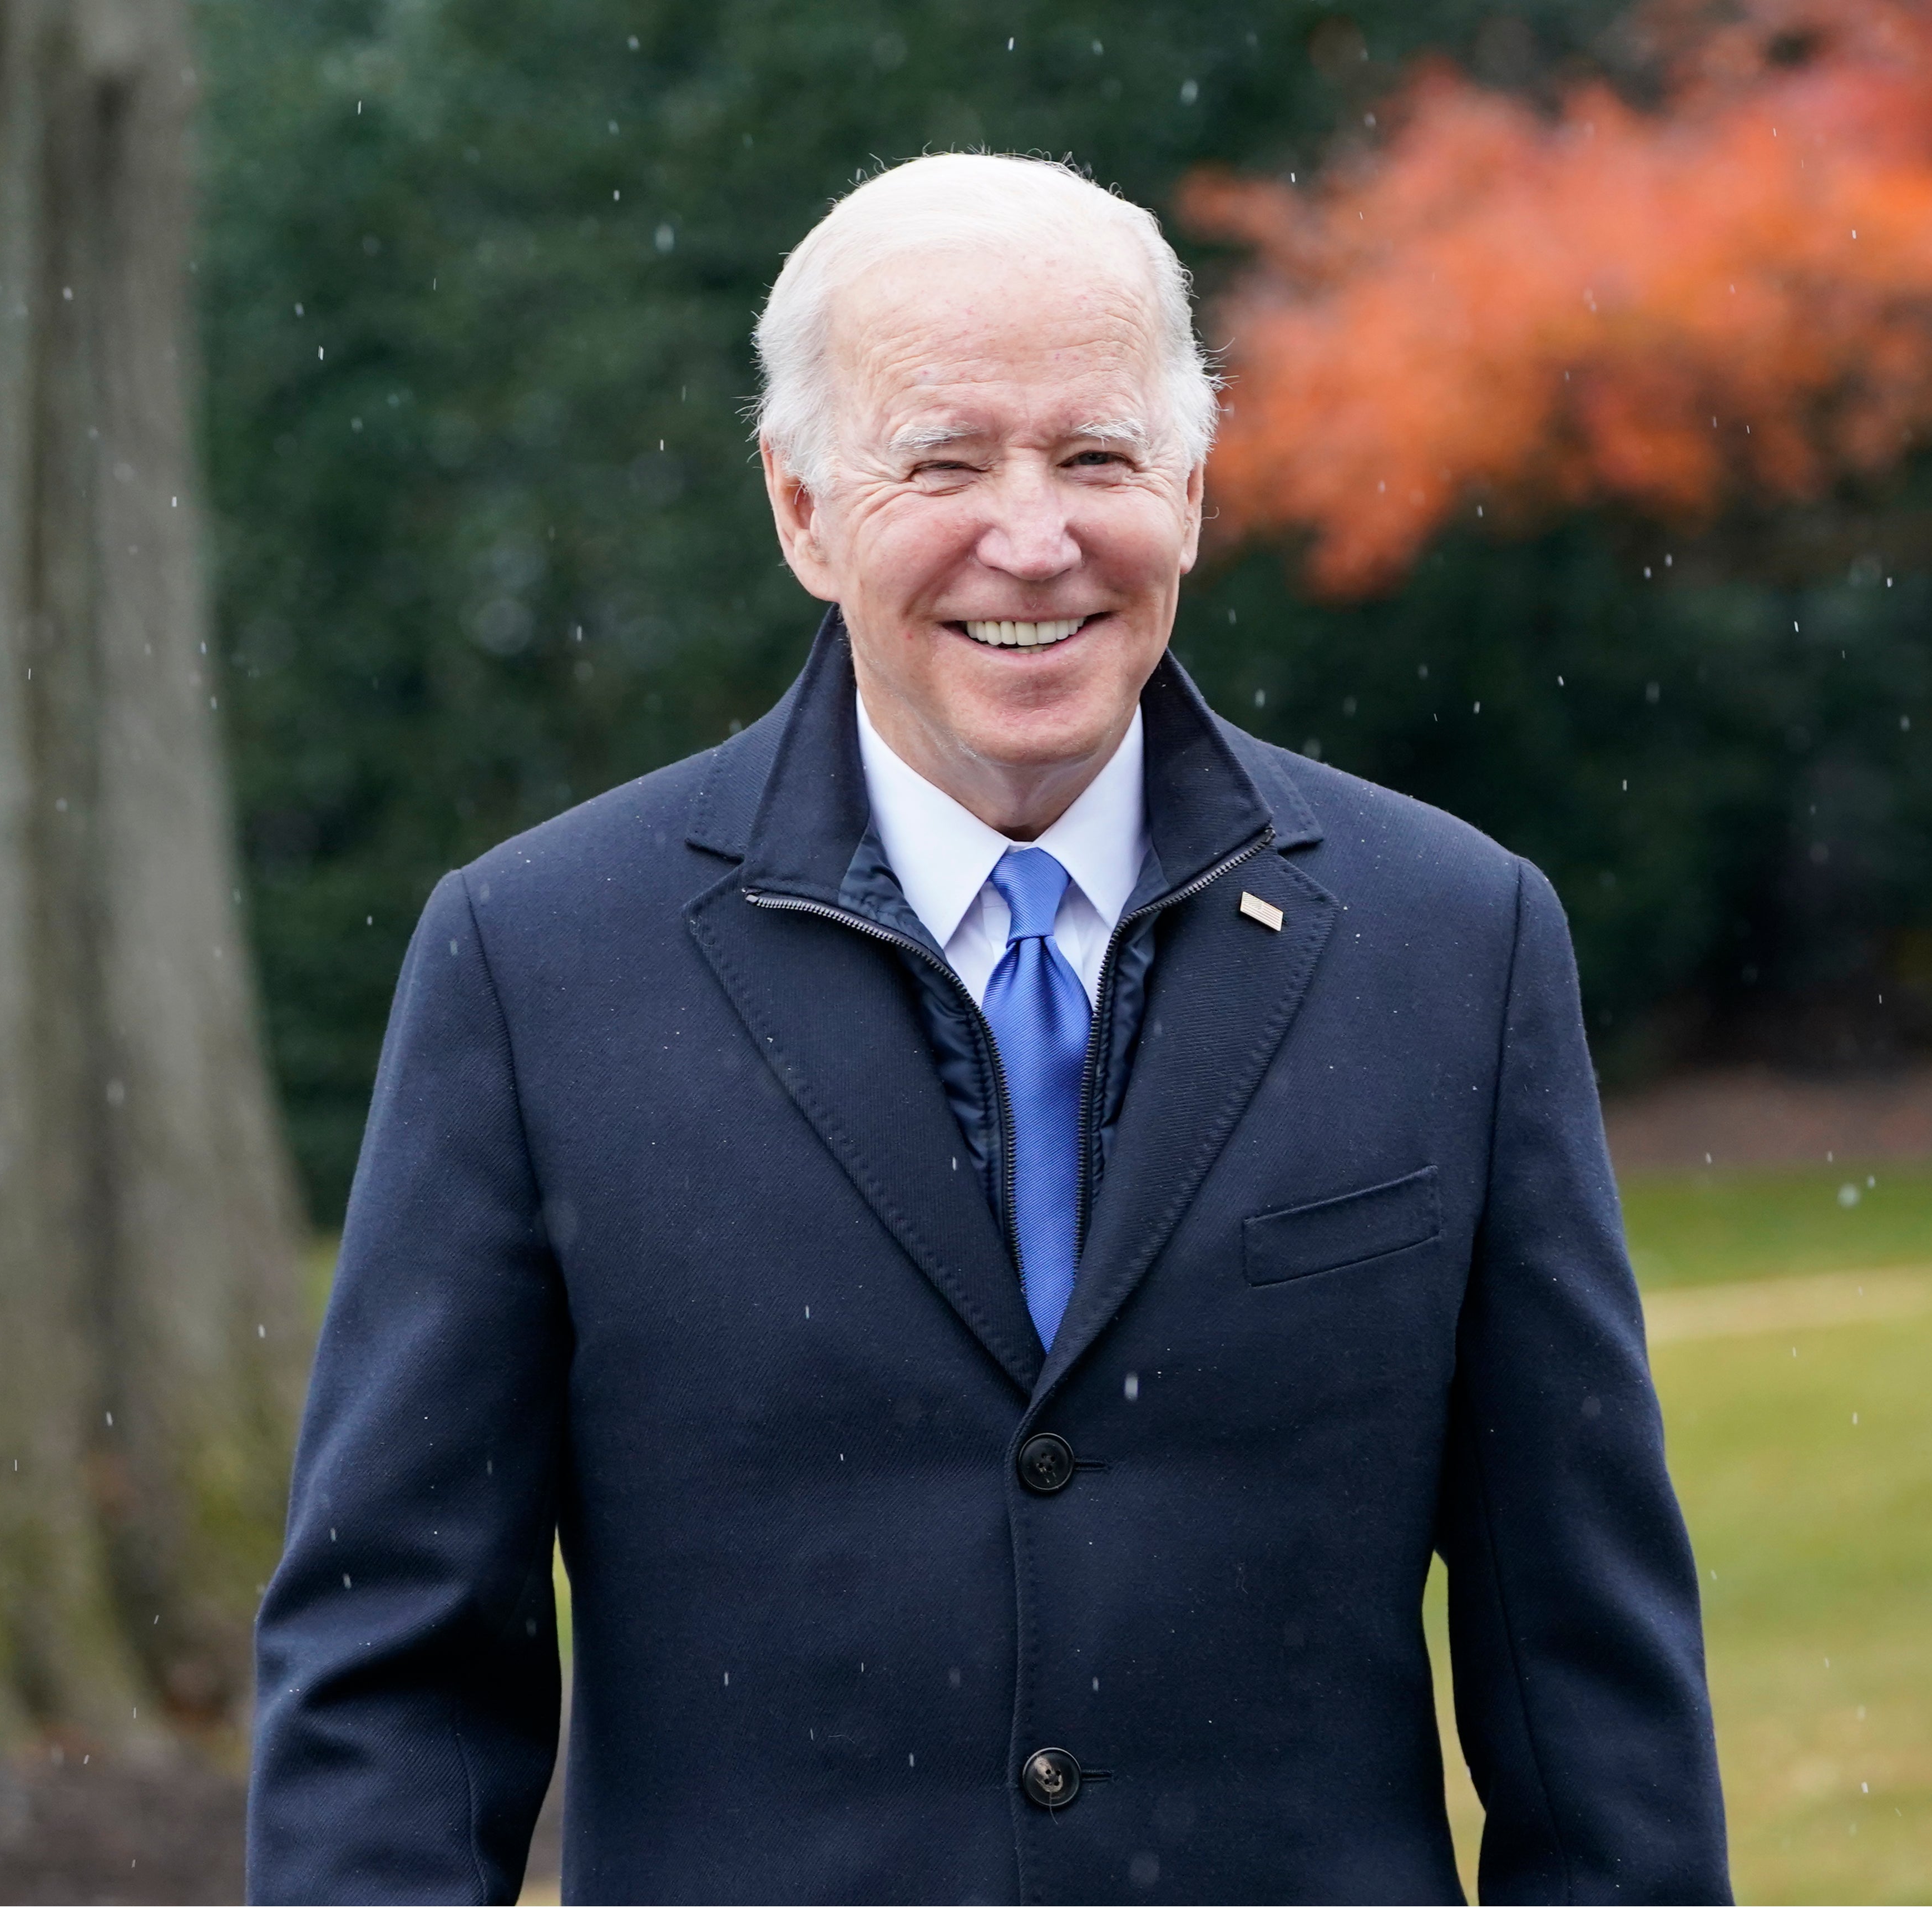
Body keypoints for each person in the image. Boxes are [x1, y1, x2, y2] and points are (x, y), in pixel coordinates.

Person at [247, 153, 1728, 1906]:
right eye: (941, 462)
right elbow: (392, 1685)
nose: (1030, 540)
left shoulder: (1451, 942)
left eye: (1095, 457)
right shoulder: (536, 964)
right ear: (802, 509)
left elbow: (1589, 1689)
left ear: (1189, 486)